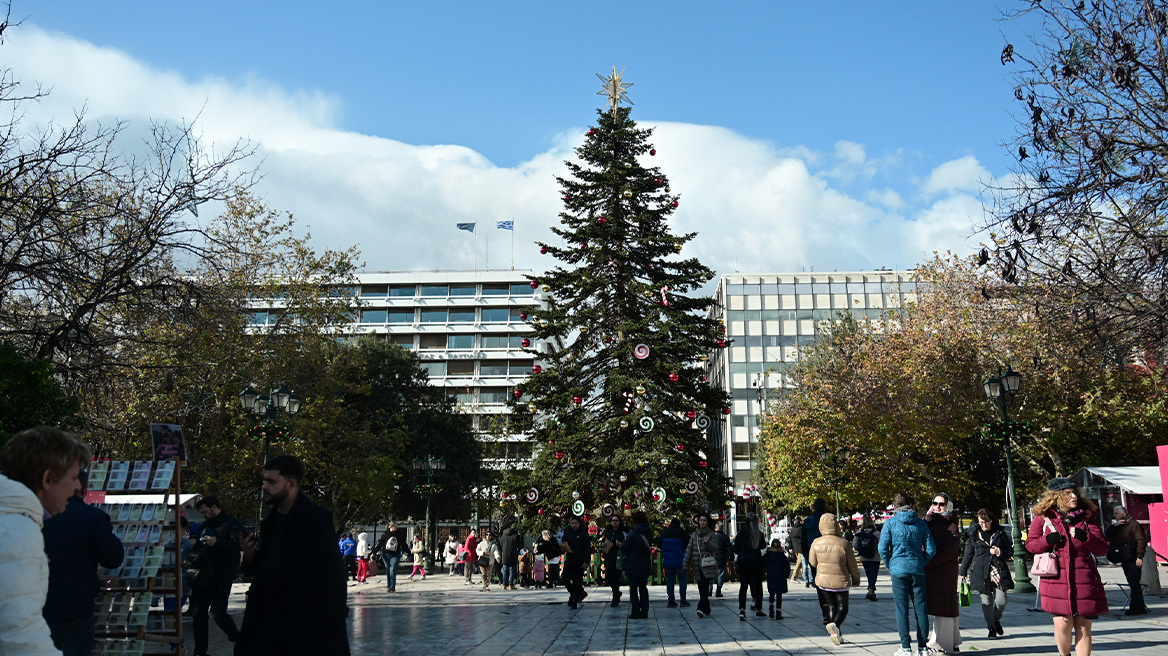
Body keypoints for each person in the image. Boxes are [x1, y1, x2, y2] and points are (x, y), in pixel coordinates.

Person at [235, 455, 349, 656]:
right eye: (264, 480)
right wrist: (251, 558)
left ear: (291, 484)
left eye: (271, 481)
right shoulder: (270, 522)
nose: (264, 486)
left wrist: (332, 622)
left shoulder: (316, 519)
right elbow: (268, 571)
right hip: (269, 625)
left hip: (306, 626)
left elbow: (333, 573)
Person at [0, 426, 90, 656]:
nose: (78, 486)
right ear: (48, 478)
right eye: (72, 478)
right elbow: (20, 635)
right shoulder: (18, 530)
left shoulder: (12, 521)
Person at [42, 465, 123, 656]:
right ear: (83, 487)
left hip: (36, 606)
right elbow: (113, 558)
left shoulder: (35, 514)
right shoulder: (92, 518)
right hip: (74, 609)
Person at [1026, 477, 1109, 656]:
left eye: (1074, 492)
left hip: (1084, 579)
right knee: (1062, 624)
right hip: (1056, 580)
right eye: (1068, 493)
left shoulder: (1086, 517)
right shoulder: (1044, 517)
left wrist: (1086, 536)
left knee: (1084, 627)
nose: (1073, 496)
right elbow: (1031, 545)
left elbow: (1103, 548)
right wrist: (1047, 540)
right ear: (1057, 497)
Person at [879, 491, 936, 656]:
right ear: (910, 505)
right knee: (921, 608)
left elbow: (882, 547)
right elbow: (931, 549)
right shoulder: (920, 524)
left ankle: (905, 646)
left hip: (898, 569)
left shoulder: (890, 524)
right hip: (917, 569)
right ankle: (923, 647)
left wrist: (890, 563)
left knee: (901, 609)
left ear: (895, 507)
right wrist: (921, 561)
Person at [189, 496, 245, 656]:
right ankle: (200, 652)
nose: (204, 516)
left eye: (205, 512)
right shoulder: (204, 525)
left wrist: (217, 543)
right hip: (203, 576)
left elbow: (237, 545)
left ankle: (238, 639)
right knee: (198, 615)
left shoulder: (231, 523)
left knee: (218, 613)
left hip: (222, 576)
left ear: (214, 507)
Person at [809, 512, 862, 645]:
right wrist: (856, 579)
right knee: (843, 608)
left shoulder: (816, 543)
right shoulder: (844, 543)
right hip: (841, 580)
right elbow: (852, 564)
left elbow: (812, 562)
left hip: (823, 580)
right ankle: (836, 626)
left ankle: (836, 633)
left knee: (831, 606)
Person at [960, 508, 1013, 639]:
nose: (984, 525)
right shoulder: (974, 536)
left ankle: (995, 620)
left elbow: (1010, 551)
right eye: (981, 522)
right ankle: (991, 628)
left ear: (991, 521)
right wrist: (963, 571)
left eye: (986, 522)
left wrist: (999, 552)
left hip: (998, 571)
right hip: (980, 572)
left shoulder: (999, 533)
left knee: (1001, 601)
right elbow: (968, 555)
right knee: (987, 601)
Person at [924, 492, 962, 655]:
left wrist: (929, 561)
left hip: (944, 571)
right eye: (935, 503)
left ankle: (940, 643)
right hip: (936, 571)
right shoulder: (933, 522)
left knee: (945, 607)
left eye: (942, 504)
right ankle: (952, 642)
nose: (938, 507)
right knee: (945, 606)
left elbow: (950, 550)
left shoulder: (950, 524)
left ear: (949, 506)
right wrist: (926, 520)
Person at [1106, 505, 1148, 615]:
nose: (1114, 516)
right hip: (1124, 557)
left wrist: (1140, 556)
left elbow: (1141, 540)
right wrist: (1114, 526)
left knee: (1134, 583)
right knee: (1133, 583)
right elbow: (1106, 535)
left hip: (1133, 557)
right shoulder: (1118, 525)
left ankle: (1135, 607)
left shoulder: (1133, 524)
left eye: (1116, 513)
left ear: (1124, 514)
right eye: (1114, 514)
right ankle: (1140, 607)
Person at [683, 511, 718, 618]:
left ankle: (700, 608)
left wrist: (708, 543)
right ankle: (707, 608)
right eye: (701, 520)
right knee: (701, 588)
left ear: (707, 522)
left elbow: (715, 549)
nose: (702, 522)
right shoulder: (694, 535)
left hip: (707, 565)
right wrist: (685, 563)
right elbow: (689, 550)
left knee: (704, 586)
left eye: (704, 520)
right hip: (696, 565)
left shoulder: (712, 534)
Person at [620, 511, 653, 619]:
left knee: (633, 589)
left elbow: (625, 547)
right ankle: (644, 611)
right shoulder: (649, 532)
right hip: (645, 563)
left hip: (633, 564)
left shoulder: (633, 534)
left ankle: (635, 611)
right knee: (643, 588)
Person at [734, 512, 766, 621]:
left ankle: (742, 610)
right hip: (756, 561)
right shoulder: (759, 534)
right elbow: (763, 546)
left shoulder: (741, 533)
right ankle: (759, 609)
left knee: (743, 586)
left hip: (743, 561)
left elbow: (736, 549)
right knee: (758, 586)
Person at [560, 516, 591, 609]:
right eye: (572, 523)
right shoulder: (568, 531)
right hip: (569, 559)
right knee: (565, 579)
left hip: (579, 560)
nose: (574, 525)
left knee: (577, 582)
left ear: (579, 523)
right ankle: (575, 595)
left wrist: (586, 561)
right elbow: (564, 540)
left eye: (575, 523)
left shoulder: (583, 533)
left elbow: (587, 548)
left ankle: (574, 601)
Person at [659, 517, 689, 608]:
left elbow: (660, 545)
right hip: (680, 561)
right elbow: (687, 545)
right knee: (682, 580)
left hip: (668, 561)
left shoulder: (664, 533)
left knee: (670, 581)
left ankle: (671, 600)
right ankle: (683, 600)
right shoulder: (682, 533)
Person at [600, 515, 627, 606]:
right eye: (613, 521)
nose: (614, 522)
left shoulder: (623, 532)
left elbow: (627, 542)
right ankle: (616, 592)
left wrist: (621, 544)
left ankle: (615, 597)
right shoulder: (608, 531)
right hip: (608, 557)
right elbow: (603, 541)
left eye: (616, 520)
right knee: (610, 578)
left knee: (615, 577)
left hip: (618, 557)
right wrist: (603, 544)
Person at [853, 516, 881, 601]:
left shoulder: (859, 533)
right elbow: (883, 542)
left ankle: (871, 589)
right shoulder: (876, 533)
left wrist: (861, 550)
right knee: (873, 575)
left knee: (869, 574)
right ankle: (871, 590)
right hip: (875, 557)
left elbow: (854, 544)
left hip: (864, 557)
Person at [763, 538, 790, 620]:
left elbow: (763, 565)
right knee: (779, 594)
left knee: (772, 592)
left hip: (771, 576)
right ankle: (778, 611)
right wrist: (786, 575)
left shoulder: (767, 555)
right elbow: (787, 567)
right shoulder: (782, 556)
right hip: (780, 576)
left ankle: (771, 608)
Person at [374, 521, 404, 592]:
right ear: (391, 527)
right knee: (388, 570)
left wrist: (409, 552)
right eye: (396, 526)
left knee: (392, 570)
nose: (397, 527)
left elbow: (403, 544)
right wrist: (374, 552)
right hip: (386, 554)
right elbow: (380, 544)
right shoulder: (385, 534)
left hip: (396, 554)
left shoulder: (399, 534)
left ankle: (392, 586)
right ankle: (388, 586)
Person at [499, 520, 523, 590]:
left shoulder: (503, 536)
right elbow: (520, 545)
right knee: (512, 569)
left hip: (504, 555)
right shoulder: (516, 536)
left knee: (505, 570)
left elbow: (500, 545)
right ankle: (511, 584)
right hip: (513, 554)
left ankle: (504, 584)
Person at [712, 519, 731, 597]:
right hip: (721, 557)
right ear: (722, 528)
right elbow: (729, 548)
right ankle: (718, 591)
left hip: (711, 557)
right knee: (720, 574)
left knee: (711, 574)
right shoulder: (725, 537)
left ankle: (709, 589)